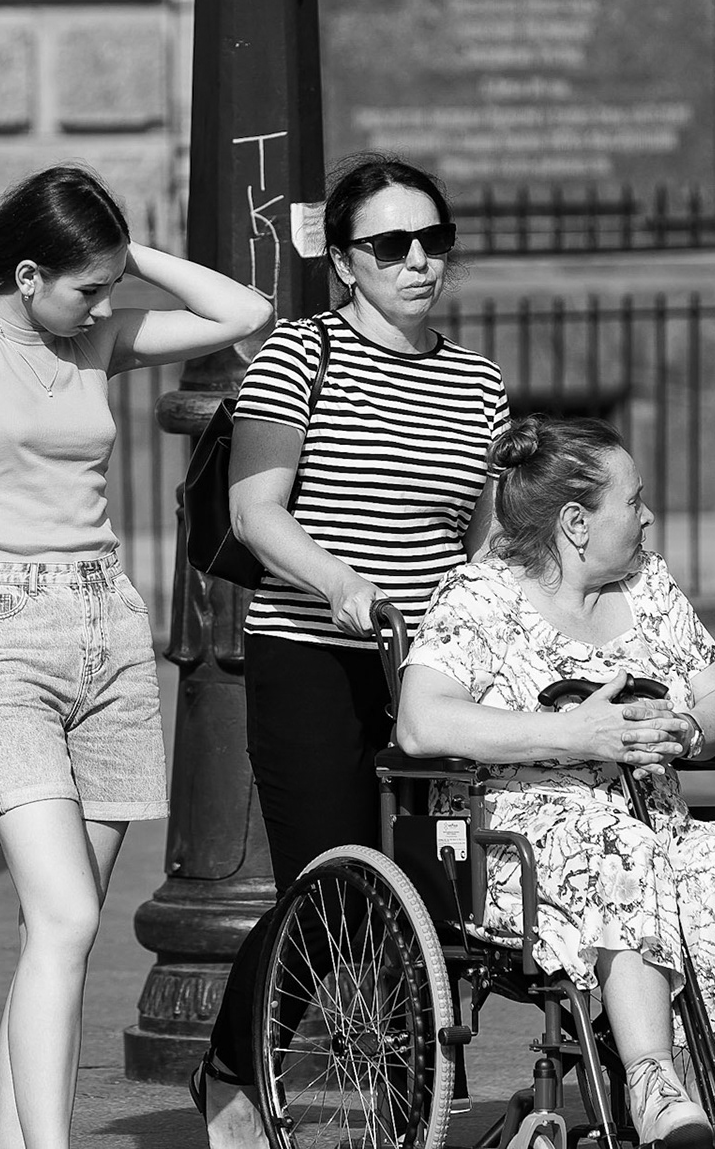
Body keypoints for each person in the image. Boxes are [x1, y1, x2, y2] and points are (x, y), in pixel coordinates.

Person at [0, 164, 271, 1149]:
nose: (103, 305)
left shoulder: (94, 342)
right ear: (29, 274)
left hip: (109, 635)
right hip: (6, 640)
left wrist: (120, 256)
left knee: (54, 931)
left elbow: (243, 311)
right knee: (69, 919)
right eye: (87, 286)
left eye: (110, 287)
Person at [396, 415, 715, 1149]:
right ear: (576, 523)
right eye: (633, 501)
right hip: (524, 848)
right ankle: (652, 1084)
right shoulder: (479, 597)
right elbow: (420, 724)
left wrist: (690, 728)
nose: (647, 517)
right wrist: (576, 735)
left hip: (655, 822)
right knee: (619, 849)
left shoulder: (649, 586)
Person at [195, 155, 507, 1147]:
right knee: (335, 884)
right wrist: (339, 583)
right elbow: (255, 512)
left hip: (427, 668)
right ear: (344, 261)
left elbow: (483, 544)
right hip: (312, 654)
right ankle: (236, 1066)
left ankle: (414, 1103)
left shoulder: (478, 383)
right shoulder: (299, 354)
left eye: (434, 239)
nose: (419, 261)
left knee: (436, 887)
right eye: (391, 244)